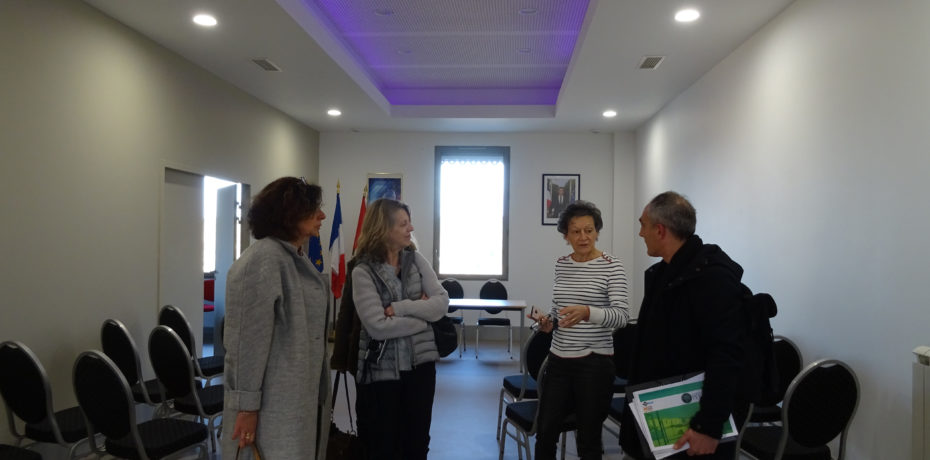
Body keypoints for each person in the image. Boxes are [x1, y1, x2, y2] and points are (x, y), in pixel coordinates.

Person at [619, 191, 749, 459]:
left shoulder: (713, 279)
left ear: (660, 230)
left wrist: (709, 426)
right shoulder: (664, 273)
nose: (640, 233)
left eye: (642, 225)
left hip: (693, 421)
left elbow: (726, 356)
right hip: (662, 413)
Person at [221, 177, 330, 459]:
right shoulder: (263, 261)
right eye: (313, 210)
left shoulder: (292, 256)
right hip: (270, 407)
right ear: (289, 215)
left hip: (292, 399)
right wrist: (246, 407)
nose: (322, 216)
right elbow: (247, 343)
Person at [530, 200, 630, 460]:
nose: (583, 237)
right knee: (545, 433)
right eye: (576, 231)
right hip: (558, 360)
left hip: (594, 364)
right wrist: (548, 322)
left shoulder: (612, 266)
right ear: (566, 236)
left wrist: (588, 312)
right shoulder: (562, 264)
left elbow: (621, 316)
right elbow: (558, 309)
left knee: (588, 440)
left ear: (597, 231)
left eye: (589, 230)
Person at [351, 199, 450, 460]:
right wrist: (422, 318)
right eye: (403, 224)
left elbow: (441, 303)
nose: (410, 228)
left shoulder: (416, 260)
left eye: (410, 222)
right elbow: (377, 327)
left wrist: (401, 307)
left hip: (421, 370)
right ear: (384, 229)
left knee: (417, 444)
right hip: (381, 374)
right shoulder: (362, 271)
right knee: (383, 446)